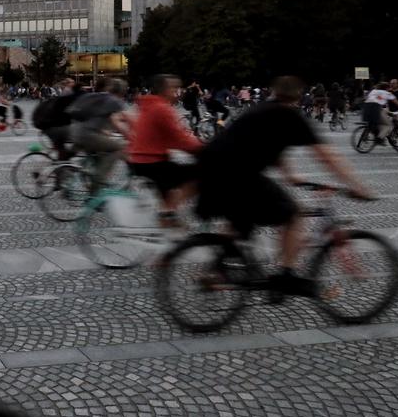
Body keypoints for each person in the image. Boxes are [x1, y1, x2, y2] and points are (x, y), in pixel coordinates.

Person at [195, 76, 373, 297]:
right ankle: (285, 276)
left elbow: (271, 144)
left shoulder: (262, 109)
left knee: (244, 219)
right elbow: (327, 157)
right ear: (298, 96)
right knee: (293, 214)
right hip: (236, 175)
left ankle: (217, 268)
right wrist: (356, 186)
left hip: (213, 171)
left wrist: (290, 176)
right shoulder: (289, 116)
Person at [126, 75, 201, 222]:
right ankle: (167, 213)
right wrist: (204, 149)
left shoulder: (149, 105)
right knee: (200, 175)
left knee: (170, 191)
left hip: (141, 160)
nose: (178, 92)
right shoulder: (161, 108)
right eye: (174, 88)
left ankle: (168, 218)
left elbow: (168, 136)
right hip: (152, 162)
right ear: (165, 90)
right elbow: (179, 140)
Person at [68, 78, 132, 190]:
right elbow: (123, 120)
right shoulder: (114, 101)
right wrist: (132, 136)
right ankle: (96, 187)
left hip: (75, 132)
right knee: (117, 149)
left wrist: (103, 130)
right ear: (122, 91)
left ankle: (83, 179)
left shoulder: (94, 96)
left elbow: (94, 118)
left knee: (100, 153)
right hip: (87, 135)